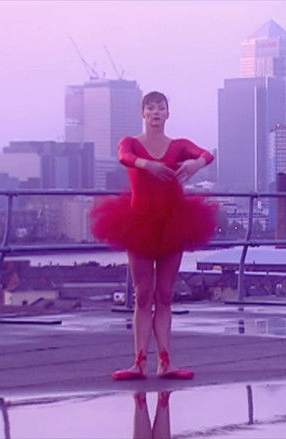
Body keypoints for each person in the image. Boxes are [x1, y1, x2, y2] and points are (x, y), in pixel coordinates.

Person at [91, 91, 217, 380]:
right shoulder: (131, 142)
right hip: (140, 224)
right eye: (151, 108)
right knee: (143, 293)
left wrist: (197, 164)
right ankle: (138, 362)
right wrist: (147, 165)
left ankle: (165, 361)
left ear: (168, 114)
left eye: (161, 108)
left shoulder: (178, 145)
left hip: (173, 223)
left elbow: (206, 154)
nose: (156, 112)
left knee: (164, 295)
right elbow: (124, 156)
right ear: (143, 113)